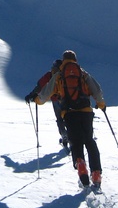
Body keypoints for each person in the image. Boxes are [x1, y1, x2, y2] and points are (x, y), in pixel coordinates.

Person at [35, 50, 106, 187]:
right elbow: (96, 90)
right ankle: (96, 172)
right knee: (89, 140)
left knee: (75, 141)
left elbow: (46, 92)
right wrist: (101, 103)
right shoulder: (83, 73)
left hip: (69, 113)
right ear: (75, 60)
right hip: (86, 112)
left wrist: (38, 100)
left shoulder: (59, 76)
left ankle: (80, 163)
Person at [25, 59, 69, 150]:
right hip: (67, 99)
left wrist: (32, 94)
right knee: (69, 117)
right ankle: (72, 134)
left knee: (59, 118)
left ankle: (64, 135)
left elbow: (40, 85)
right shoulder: (66, 74)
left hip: (55, 99)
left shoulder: (50, 75)